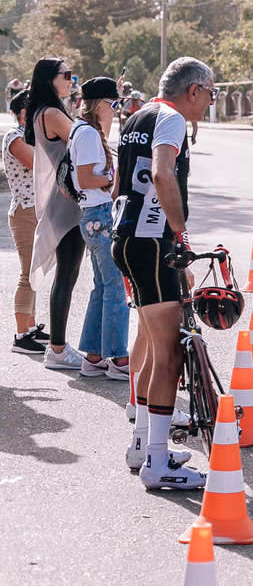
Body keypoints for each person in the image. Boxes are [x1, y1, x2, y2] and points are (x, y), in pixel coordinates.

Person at [111, 57, 215, 490]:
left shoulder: (137, 115)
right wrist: (181, 237)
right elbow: (160, 172)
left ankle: (142, 444)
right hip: (152, 243)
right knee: (169, 353)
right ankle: (156, 461)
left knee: (151, 346)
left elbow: (120, 185)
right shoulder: (171, 119)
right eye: (210, 93)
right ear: (193, 90)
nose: (210, 102)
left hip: (130, 237)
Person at [24, 57, 86, 370]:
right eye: (67, 75)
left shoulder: (44, 111)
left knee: (67, 274)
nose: (71, 80)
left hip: (61, 202)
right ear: (51, 79)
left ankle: (58, 348)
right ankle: (58, 350)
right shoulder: (50, 113)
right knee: (67, 275)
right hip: (65, 205)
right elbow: (84, 140)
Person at [70, 77, 131, 380]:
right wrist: (112, 180)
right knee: (116, 288)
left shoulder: (86, 130)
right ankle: (118, 359)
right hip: (100, 214)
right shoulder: (88, 135)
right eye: (115, 103)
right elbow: (85, 178)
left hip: (92, 215)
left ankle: (94, 357)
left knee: (103, 287)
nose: (117, 109)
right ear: (101, 104)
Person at [5, 88, 49, 353]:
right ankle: (21, 335)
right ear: (24, 113)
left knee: (35, 272)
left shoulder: (30, 135)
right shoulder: (14, 136)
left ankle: (30, 327)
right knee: (26, 274)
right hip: (25, 212)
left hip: (36, 211)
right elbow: (39, 164)